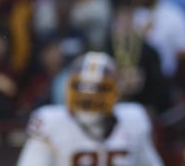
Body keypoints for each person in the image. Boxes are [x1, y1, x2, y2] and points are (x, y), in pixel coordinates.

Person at [16, 52, 164, 166]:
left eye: (99, 88)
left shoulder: (133, 119)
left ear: (115, 90)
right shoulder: (51, 122)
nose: (90, 96)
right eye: (82, 87)